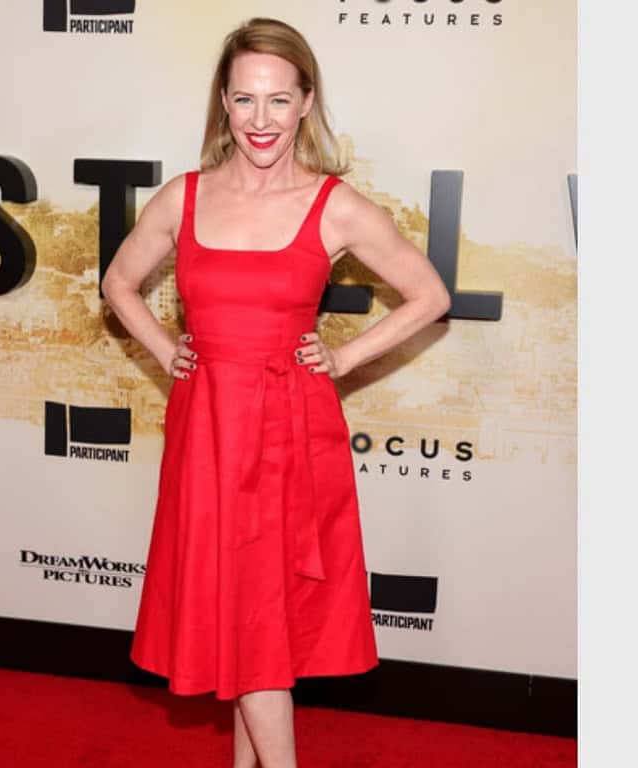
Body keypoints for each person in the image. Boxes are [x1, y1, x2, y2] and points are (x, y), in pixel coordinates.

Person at [102, 16, 451, 768]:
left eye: (278, 100)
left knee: (260, 620)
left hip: (290, 431)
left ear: (306, 102)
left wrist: (347, 356)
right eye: (244, 100)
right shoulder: (184, 197)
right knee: (242, 619)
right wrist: (169, 352)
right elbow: (118, 283)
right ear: (223, 104)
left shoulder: (336, 205)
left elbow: (428, 295)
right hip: (208, 430)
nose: (261, 120)